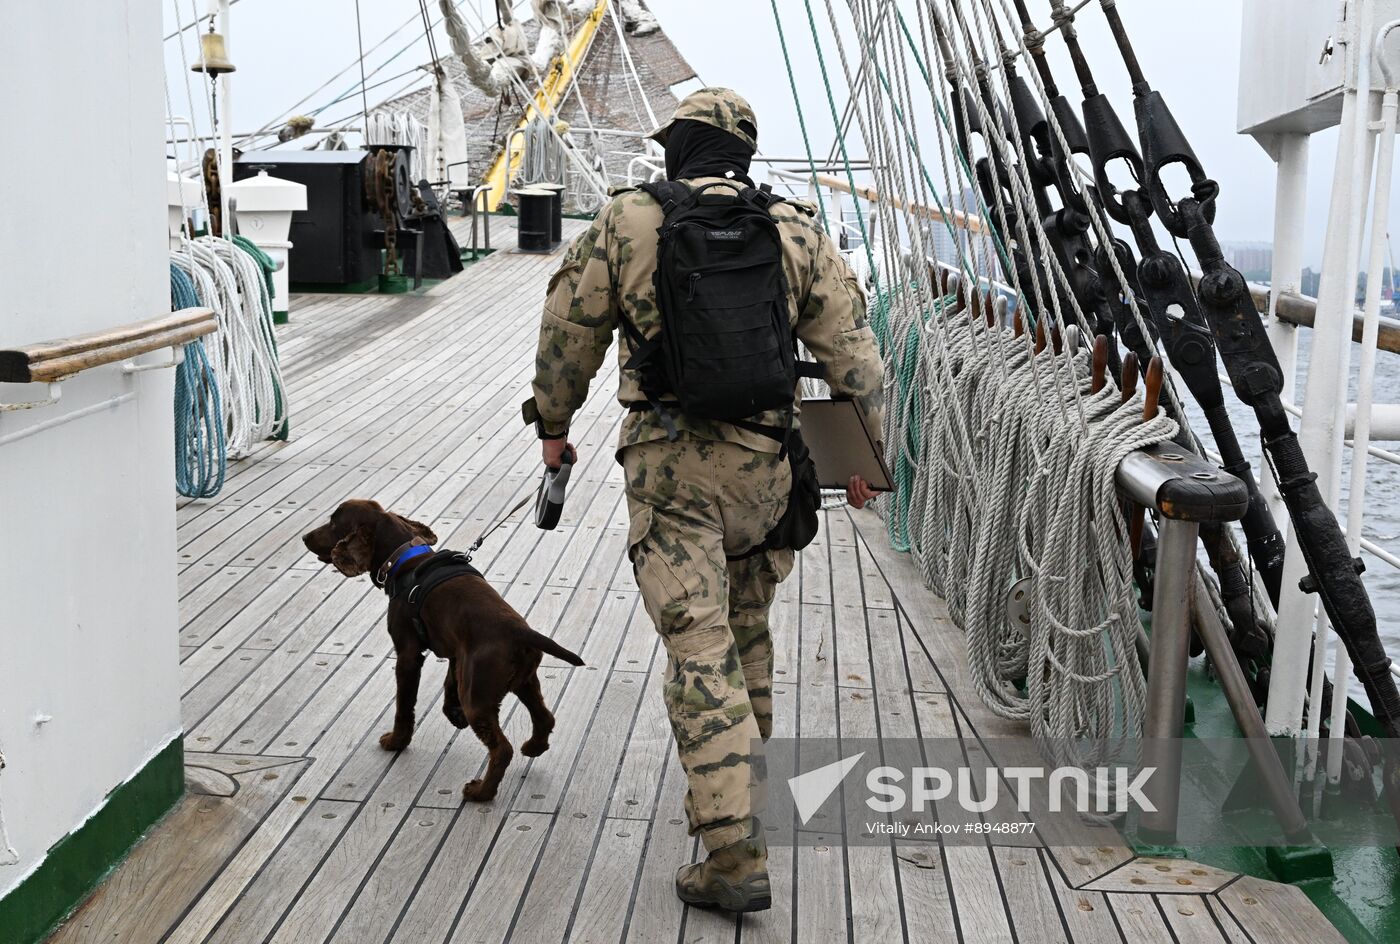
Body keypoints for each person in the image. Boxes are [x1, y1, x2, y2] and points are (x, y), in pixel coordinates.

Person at [522, 87, 883, 912]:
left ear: (679, 147)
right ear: (744, 153)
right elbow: (856, 358)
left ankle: (732, 858)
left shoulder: (629, 222)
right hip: (767, 471)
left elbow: (566, 332)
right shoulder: (793, 228)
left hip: (671, 473)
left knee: (698, 651)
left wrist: (552, 426)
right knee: (747, 636)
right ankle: (730, 802)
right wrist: (867, 460)